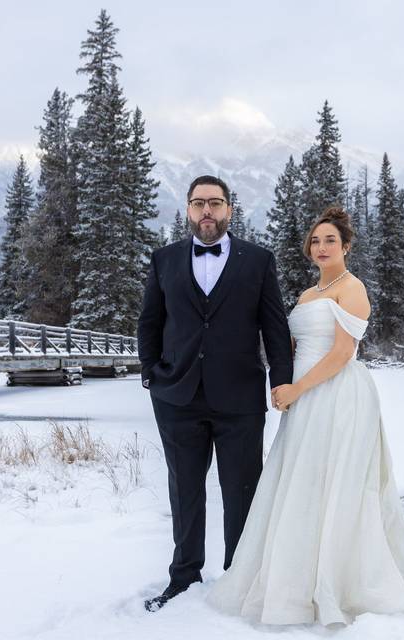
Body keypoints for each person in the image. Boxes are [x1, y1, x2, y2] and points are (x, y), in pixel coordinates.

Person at [206, 206, 404, 626]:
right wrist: (279, 382)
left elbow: (341, 353)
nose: (322, 247)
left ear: (346, 246)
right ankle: (294, 578)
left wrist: (298, 388)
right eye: (316, 241)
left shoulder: (353, 288)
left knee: (337, 481)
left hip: (338, 395)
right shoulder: (307, 296)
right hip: (303, 398)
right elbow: (289, 346)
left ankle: (338, 581)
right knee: (300, 480)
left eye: (330, 241)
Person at [137, 175, 293, 612]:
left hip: (240, 398)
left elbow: (274, 326)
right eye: (198, 203)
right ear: (188, 209)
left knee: (241, 491)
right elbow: (149, 322)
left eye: (215, 202)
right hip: (176, 397)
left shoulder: (258, 260)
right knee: (184, 490)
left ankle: (239, 579)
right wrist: (151, 375)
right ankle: (183, 577)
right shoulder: (164, 259)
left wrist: (281, 380)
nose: (207, 210)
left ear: (229, 209)